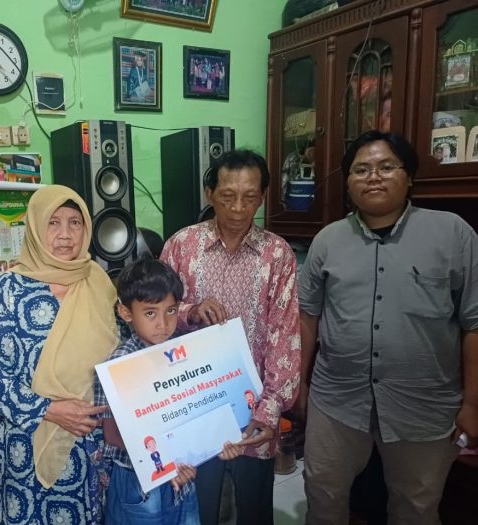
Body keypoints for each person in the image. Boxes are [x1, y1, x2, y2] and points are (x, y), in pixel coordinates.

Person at [297, 130, 478, 525]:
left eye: (386, 167)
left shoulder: (453, 234)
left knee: (416, 507)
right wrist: (301, 385)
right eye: (361, 170)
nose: (373, 177)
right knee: (323, 494)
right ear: (348, 182)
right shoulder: (327, 241)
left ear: (408, 175)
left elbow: (474, 323)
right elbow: (307, 316)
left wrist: (472, 404)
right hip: (336, 401)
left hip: (425, 406)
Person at [161, 148, 301, 525]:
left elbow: (285, 337)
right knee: (197, 510)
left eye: (250, 197)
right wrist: (189, 312)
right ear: (209, 193)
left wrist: (270, 409)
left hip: (255, 410)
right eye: (228, 196)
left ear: (263, 196)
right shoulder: (181, 246)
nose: (239, 208)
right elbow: (155, 317)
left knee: (253, 510)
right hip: (194, 410)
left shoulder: (277, 255)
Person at [0, 185, 119, 524]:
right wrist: (48, 409)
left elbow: (124, 354)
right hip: (29, 442)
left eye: (74, 222)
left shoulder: (100, 283)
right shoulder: (8, 290)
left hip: (92, 444)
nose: (65, 234)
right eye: (53, 223)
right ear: (36, 228)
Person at [94, 256, 199, 525]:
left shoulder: (183, 354)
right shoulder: (118, 364)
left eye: (171, 310)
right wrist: (166, 461)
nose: (163, 323)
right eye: (150, 313)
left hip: (182, 473)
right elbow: (113, 435)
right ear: (126, 312)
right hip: (138, 480)